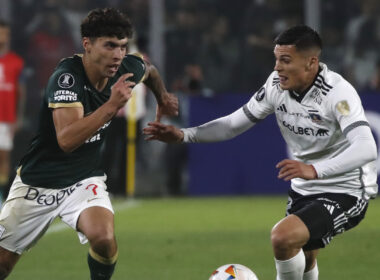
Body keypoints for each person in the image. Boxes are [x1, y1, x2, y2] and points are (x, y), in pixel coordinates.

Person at [143, 25, 378, 280]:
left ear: (311, 63)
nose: (277, 67)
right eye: (276, 59)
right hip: (305, 187)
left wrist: (314, 169)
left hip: (346, 189)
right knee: (306, 255)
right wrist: (184, 135)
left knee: (283, 237)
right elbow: (234, 124)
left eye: (285, 60)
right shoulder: (276, 85)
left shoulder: (338, 93)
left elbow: (366, 147)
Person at [0, 8, 178, 280]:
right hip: (38, 182)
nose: (118, 54)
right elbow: (67, 140)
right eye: (109, 46)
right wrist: (112, 105)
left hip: (83, 179)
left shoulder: (126, 67)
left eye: (121, 46)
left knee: (104, 239)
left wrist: (163, 97)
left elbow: (149, 69)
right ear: (87, 45)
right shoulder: (66, 78)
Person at [0, 19, 25, 206]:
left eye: (5, 33)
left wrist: (19, 116)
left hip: (6, 118)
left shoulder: (16, 62)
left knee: (4, 158)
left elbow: (21, 91)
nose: (3, 37)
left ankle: (1, 197)